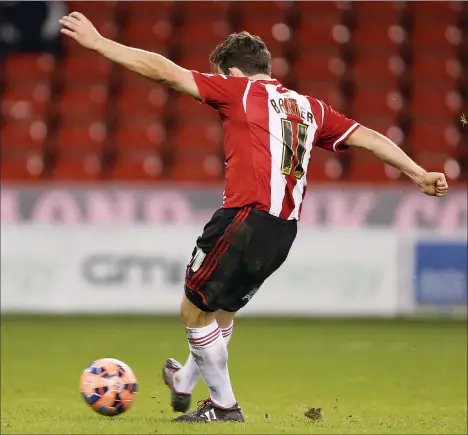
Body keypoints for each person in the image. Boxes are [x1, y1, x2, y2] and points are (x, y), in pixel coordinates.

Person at [59, 12, 449, 423]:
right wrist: (417, 173)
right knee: (222, 310)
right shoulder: (309, 106)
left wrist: (101, 44)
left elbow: (166, 73)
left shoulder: (240, 90)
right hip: (283, 230)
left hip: (244, 217)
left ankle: (225, 407)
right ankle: (185, 382)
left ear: (232, 71)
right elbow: (369, 136)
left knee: (193, 311)